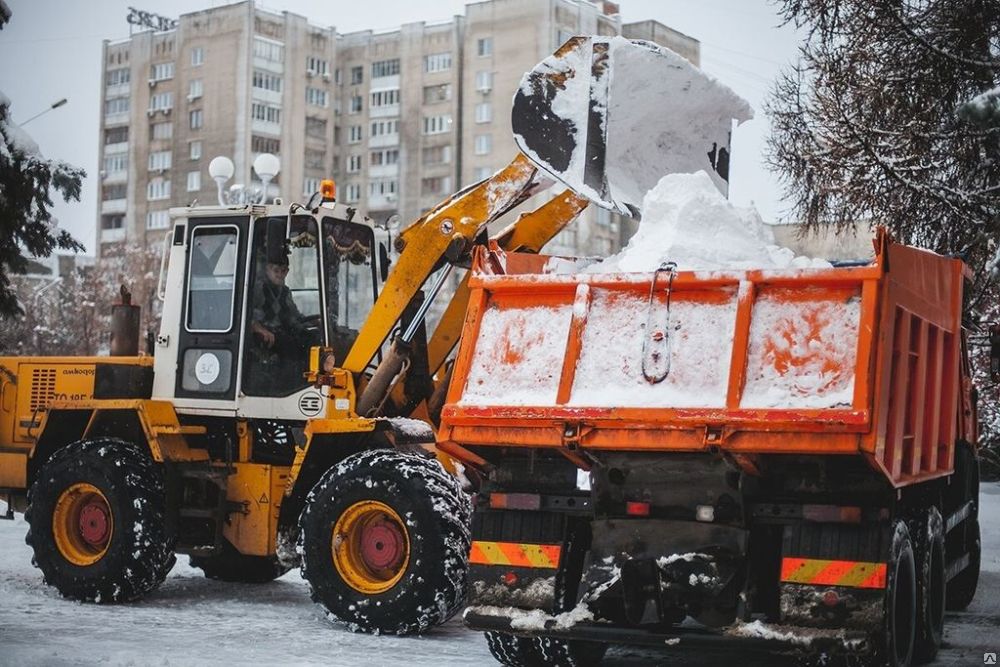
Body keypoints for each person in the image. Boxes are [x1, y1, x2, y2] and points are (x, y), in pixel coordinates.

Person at [247, 257, 308, 394]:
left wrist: (314, 323)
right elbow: (246, 315)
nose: (280, 274)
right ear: (267, 270)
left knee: (308, 340)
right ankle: (283, 389)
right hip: (263, 335)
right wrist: (260, 329)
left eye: (283, 271)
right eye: (276, 271)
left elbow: (294, 317)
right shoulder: (258, 289)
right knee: (290, 348)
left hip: (281, 332)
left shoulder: (285, 292)